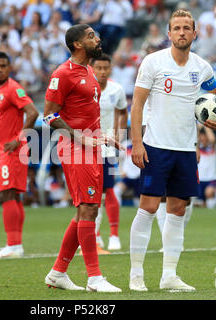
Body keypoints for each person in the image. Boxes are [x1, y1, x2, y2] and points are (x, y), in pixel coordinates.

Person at [129, 9, 216, 292]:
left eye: (187, 27)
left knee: (177, 209)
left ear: (195, 33)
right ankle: (136, 274)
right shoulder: (153, 62)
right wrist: (137, 143)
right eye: (177, 28)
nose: (182, 32)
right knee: (148, 207)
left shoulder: (202, 67)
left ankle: (169, 276)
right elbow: (137, 105)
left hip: (185, 149)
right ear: (169, 33)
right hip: (156, 146)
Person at [43, 24, 123, 292]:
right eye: (90, 36)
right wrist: (80, 137)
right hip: (76, 149)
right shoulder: (62, 74)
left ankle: (58, 272)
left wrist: (103, 136)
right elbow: (50, 115)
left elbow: (88, 114)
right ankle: (95, 278)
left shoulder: (89, 71)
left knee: (87, 211)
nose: (97, 39)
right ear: (77, 44)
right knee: (88, 208)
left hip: (92, 147)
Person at [0, 51, 39, 259]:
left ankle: (13, 245)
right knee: (13, 194)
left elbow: (33, 112)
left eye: (3, 66)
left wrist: (18, 139)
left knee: (7, 194)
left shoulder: (12, 88)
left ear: (10, 68)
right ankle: (15, 245)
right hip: (5, 149)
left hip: (13, 149)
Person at [91, 53, 128, 251]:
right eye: (99, 68)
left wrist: (119, 135)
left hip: (108, 149)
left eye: (106, 68)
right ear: (92, 68)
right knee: (92, 193)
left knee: (110, 189)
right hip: (88, 147)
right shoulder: (85, 88)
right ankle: (95, 237)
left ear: (110, 68)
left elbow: (123, 111)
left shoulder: (116, 90)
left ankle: (114, 234)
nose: (103, 72)